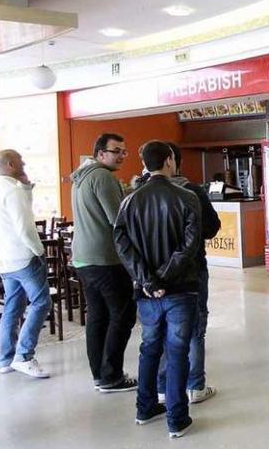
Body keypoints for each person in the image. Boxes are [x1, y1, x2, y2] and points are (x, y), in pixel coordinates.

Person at [114, 140, 202, 439]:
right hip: (181, 289)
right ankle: (177, 419)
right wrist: (165, 277)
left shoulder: (129, 200)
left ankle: (145, 407)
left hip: (146, 292)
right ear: (168, 161)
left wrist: (149, 279)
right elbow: (190, 245)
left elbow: (121, 243)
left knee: (149, 347)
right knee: (177, 352)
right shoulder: (187, 198)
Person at [71, 133, 138, 393]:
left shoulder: (82, 177)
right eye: (116, 151)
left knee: (98, 316)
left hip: (83, 258)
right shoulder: (103, 177)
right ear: (100, 153)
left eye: (124, 151)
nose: (121, 155)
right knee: (122, 314)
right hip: (105, 259)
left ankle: (100, 374)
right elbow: (117, 219)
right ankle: (111, 376)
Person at [155, 143, 221, 404]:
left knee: (160, 328)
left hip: (156, 272)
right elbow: (211, 226)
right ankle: (195, 385)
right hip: (192, 269)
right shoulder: (192, 191)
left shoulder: (139, 193)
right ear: (172, 161)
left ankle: (162, 388)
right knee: (195, 325)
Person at [0, 150, 50, 379]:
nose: (24, 162)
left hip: (3, 259)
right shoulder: (12, 191)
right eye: (21, 160)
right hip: (24, 258)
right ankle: (24, 355)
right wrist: (40, 251)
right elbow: (26, 227)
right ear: (11, 164)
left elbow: (20, 217)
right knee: (42, 302)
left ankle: (6, 359)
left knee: (12, 306)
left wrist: (27, 190)